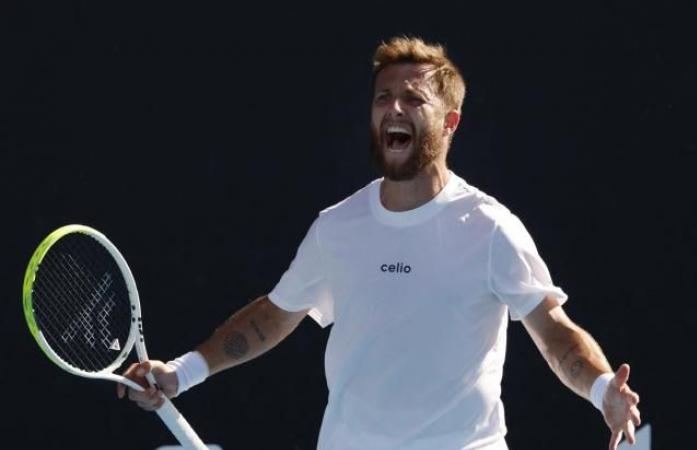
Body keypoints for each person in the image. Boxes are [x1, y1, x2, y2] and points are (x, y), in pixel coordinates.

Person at [117, 36, 641, 450]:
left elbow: (552, 331)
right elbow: (273, 317)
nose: (394, 108)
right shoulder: (335, 228)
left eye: (414, 99)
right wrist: (180, 372)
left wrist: (601, 392)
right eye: (383, 97)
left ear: (450, 122)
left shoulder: (490, 227)